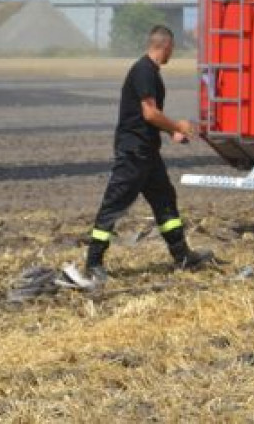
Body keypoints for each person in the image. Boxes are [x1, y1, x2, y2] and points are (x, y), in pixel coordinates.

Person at [84, 25, 213, 284]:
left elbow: (150, 119)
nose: (172, 54)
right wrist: (178, 125)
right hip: (133, 153)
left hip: (147, 153)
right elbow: (149, 113)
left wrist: (170, 133)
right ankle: (93, 263)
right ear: (165, 46)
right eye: (172, 49)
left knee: (165, 201)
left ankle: (182, 256)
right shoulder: (144, 71)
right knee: (114, 205)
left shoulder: (150, 71)